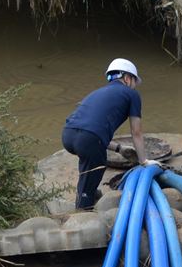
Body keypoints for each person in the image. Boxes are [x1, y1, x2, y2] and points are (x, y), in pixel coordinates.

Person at [62, 58, 156, 209]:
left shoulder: (97, 93)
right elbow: (136, 132)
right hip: (88, 139)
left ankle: (90, 191)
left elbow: (92, 132)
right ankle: (82, 211)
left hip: (68, 135)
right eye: (134, 81)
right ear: (127, 78)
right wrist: (144, 161)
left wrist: (119, 148)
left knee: (89, 160)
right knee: (96, 164)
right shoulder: (132, 95)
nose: (134, 86)